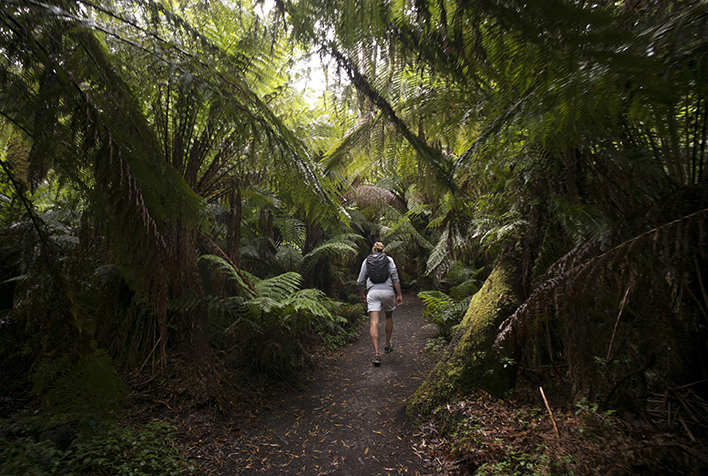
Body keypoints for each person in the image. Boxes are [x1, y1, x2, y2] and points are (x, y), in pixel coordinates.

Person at [357, 242, 403, 366]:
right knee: (388, 316)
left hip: (373, 292)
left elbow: (360, 280)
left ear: (373, 251)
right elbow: (395, 277)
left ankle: (376, 354)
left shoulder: (367, 260)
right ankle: (387, 345)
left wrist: (361, 294)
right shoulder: (389, 260)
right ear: (383, 250)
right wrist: (399, 294)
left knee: (373, 322)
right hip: (388, 292)